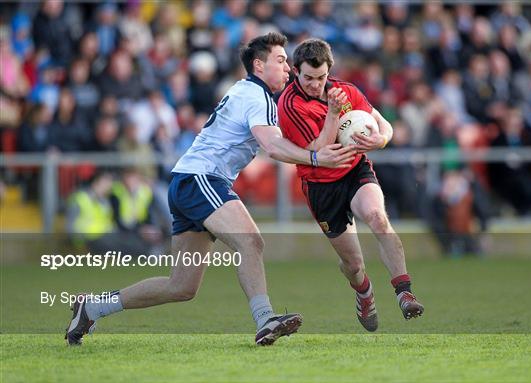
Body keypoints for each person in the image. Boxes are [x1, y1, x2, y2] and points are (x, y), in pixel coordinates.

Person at [65, 32, 357, 346]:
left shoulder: (255, 95)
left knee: (181, 287)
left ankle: (92, 307)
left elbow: (288, 143)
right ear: (259, 65)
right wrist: (316, 157)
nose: (288, 68)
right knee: (251, 242)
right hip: (200, 179)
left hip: (190, 181)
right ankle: (265, 319)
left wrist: (328, 124)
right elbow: (273, 146)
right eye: (281, 60)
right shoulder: (255, 96)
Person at [277, 38, 424, 332]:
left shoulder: (346, 90)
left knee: (378, 218)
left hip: (354, 170)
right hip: (321, 187)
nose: (316, 85)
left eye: (321, 78)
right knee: (354, 266)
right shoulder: (290, 104)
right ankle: (364, 292)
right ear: (295, 71)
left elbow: (385, 126)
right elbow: (319, 152)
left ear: (329, 71)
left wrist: (380, 140)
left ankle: (404, 293)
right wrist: (333, 114)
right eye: (308, 78)